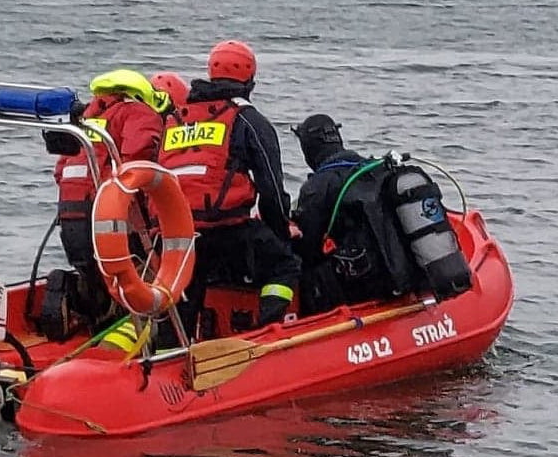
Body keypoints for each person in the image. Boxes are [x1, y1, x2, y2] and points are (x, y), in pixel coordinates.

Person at [157, 40, 301, 338]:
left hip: (179, 232)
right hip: (228, 228)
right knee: (284, 265)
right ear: (250, 81)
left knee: (185, 292)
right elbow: (271, 187)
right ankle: (263, 334)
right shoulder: (248, 119)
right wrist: (281, 230)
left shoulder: (176, 118)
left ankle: (170, 357)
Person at [47, 69, 166, 330]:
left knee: (93, 275)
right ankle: (137, 336)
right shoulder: (136, 112)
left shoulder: (88, 118)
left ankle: (90, 318)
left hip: (70, 212)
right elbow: (137, 161)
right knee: (133, 276)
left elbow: (60, 170)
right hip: (106, 210)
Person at [290, 113, 407, 310]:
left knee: (293, 264)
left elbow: (307, 249)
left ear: (309, 147)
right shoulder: (375, 169)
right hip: (394, 271)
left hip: (358, 283)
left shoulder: (317, 188)